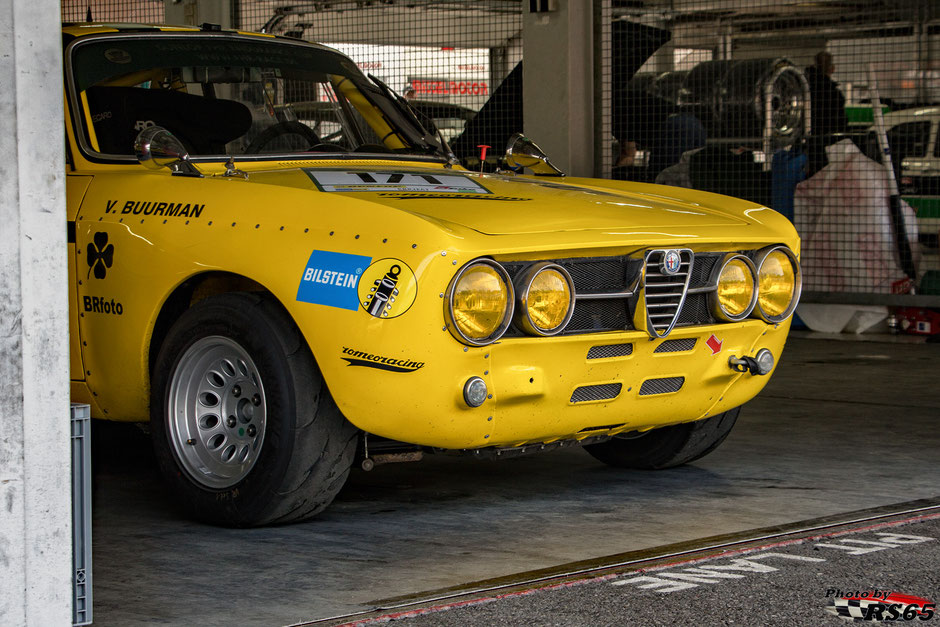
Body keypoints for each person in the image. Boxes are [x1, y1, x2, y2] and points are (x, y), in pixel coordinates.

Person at [805, 51, 848, 175]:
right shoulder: (833, 93)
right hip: (829, 141)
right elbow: (840, 120)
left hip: (809, 142)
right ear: (832, 68)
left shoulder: (805, 89)